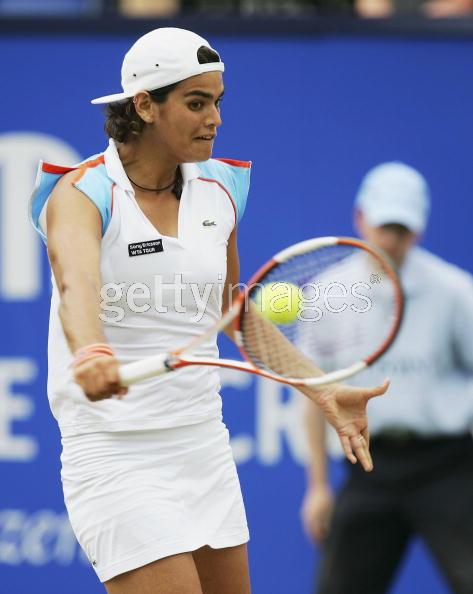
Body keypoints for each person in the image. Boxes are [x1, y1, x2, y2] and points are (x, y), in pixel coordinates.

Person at [29, 27, 387, 594]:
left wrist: (321, 389)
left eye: (217, 101)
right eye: (196, 103)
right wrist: (92, 352)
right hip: (116, 454)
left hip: (202, 446)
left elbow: (230, 310)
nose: (215, 117)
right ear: (144, 106)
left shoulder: (219, 191)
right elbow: (76, 286)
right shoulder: (82, 193)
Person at [301, 162, 473, 594]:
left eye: (403, 229)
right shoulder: (325, 294)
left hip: (450, 468)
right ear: (361, 218)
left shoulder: (456, 292)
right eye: (384, 225)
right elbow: (312, 394)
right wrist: (318, 488)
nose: (392, 240)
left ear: (419, 229)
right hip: (369, 469)